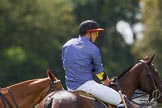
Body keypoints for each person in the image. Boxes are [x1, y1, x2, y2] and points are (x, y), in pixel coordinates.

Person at [62, 20, 122, 106]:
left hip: (69, 87)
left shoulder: (67, 45)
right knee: (118, 98)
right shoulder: (93, 49)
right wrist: (106, 81)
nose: (96, 36)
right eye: (96, 33)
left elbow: (65, 66)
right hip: (86, 86)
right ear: (88, 33)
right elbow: (99, 72)